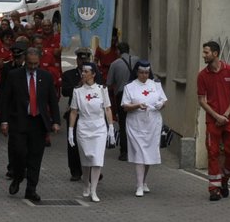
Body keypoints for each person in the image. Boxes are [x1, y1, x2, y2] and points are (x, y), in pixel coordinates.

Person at [0, 45, 60, 202]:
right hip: (19, 121)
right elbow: (5, 99)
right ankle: (18, 177)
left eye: (35, 64)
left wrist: (56, 121)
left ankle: (31, 189)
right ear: (25, 61)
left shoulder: (45, 77)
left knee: (35, 157)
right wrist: (4, 121)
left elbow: (52, 100)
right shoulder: (14, 76)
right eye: (30, 63)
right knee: (19, 153)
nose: (32, 67)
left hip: (38, 122)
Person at [197, 40, 230, 201]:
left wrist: (226, 115)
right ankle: (213, 189)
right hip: (213, 120)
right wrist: (216, 116)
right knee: (213, 153)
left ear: (215, 54)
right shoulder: (202, 75)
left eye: (206, 52)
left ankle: (224, 180)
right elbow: (201, 100)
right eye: (204, 52)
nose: (204, 55)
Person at [118, 59, 167, 196]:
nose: (144, 75)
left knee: (149, 154)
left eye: (147, 72)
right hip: (136, 124)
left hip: (153, 123)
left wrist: (160, 105)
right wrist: (137, 106)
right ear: (136, 72)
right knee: (140, 153)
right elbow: (125, 106)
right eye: (141, 72)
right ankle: (139, 185)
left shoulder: (156, 85)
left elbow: (163, 101)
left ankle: (144, 181)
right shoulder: (130, 87)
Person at [68, 62, 114, 202]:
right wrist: (70, 130)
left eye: (87, 71)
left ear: (93, 74)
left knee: (97, 159)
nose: (83, 73)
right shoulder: (77, 91)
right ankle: (86, 184)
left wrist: (111, 127)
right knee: (86, 158)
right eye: (82, 71)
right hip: (83, 127)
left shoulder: (101, 89)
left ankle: (94, 190)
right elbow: (74, 112)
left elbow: (107, 108)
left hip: (99, 127)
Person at [59, 48, 88, 182]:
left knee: (90, 142)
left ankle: (92, 169)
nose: (83, 62)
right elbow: (65, 91)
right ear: (77, 60)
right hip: (74, 112)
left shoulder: (94, 74)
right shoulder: (69, 75)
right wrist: (79, 85)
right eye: (81, 60)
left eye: (86, 59)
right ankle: (75, 171)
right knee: (73, 143)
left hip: (90, 113)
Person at [105, 41, 133, 160]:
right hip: (137, 94)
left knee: (123, 123)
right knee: (135, 123)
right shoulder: (136, 60)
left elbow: (109, 83)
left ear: (118, 51)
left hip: (122, 95)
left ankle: (124, 151)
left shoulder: (115, 64)